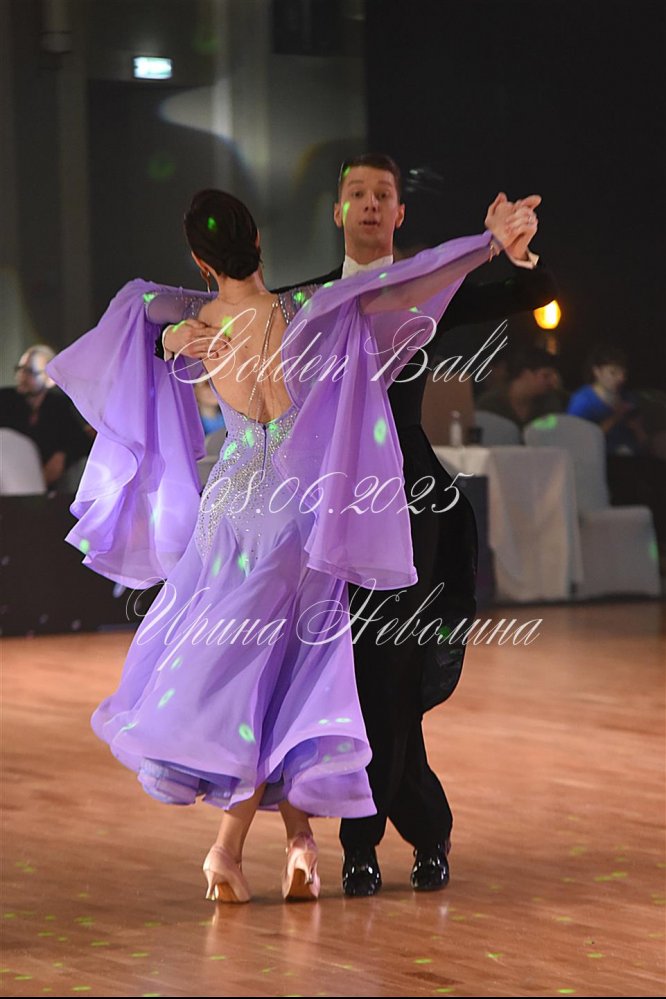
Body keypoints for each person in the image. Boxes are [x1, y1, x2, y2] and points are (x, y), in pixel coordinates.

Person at [48, 187, 533, 904]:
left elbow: (136, 306)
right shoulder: (308, 308)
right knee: (290, 677)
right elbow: (407, 282)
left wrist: (169, 339)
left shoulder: (196, 319)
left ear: (200, 261)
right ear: (260, 244)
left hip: (234, 518)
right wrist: (486, 245)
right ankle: (289, 844)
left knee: (256, 681)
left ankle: (242, 848)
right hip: (305, 517)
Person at [567, 344, 666, 569]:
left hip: (635, 457)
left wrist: (637, 428)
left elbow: (642, 441)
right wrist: (615, 418)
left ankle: (657, 544)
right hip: (603, 460)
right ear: (597, 371)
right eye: (613, 372)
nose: (619, 378)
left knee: (658, 478)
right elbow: (580, 438)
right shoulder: (583, 400)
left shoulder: (628, 398)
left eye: (622, 372)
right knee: (629, 484)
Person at [0, 345, 92, 487]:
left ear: (50, 379)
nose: (22, 376)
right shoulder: (5, 400)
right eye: (20, 369)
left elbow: (80, 440)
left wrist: (63, 454)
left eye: (30, 371)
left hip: (48, 486)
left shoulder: (60, 406)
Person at [476, 346, 560, 430]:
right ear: (526, 374)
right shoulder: (490, 404)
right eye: (546, 376)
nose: (551, 382)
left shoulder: (548, 403)